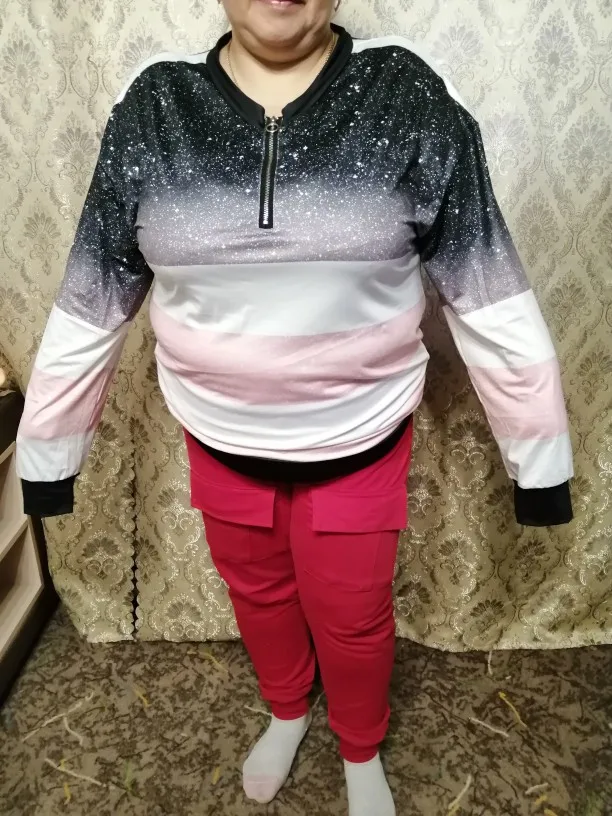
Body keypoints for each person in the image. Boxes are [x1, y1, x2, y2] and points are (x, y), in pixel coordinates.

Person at [16, 0, 574, 812]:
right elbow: (92, 299)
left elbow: (487, 293)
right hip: (218, 433)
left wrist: (540, 461)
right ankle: (286, 709)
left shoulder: (407, 96)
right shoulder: (155, 108)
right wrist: (47, 453)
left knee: (351, 615)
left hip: (360, 439)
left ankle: (359, 745)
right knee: (259, 595)